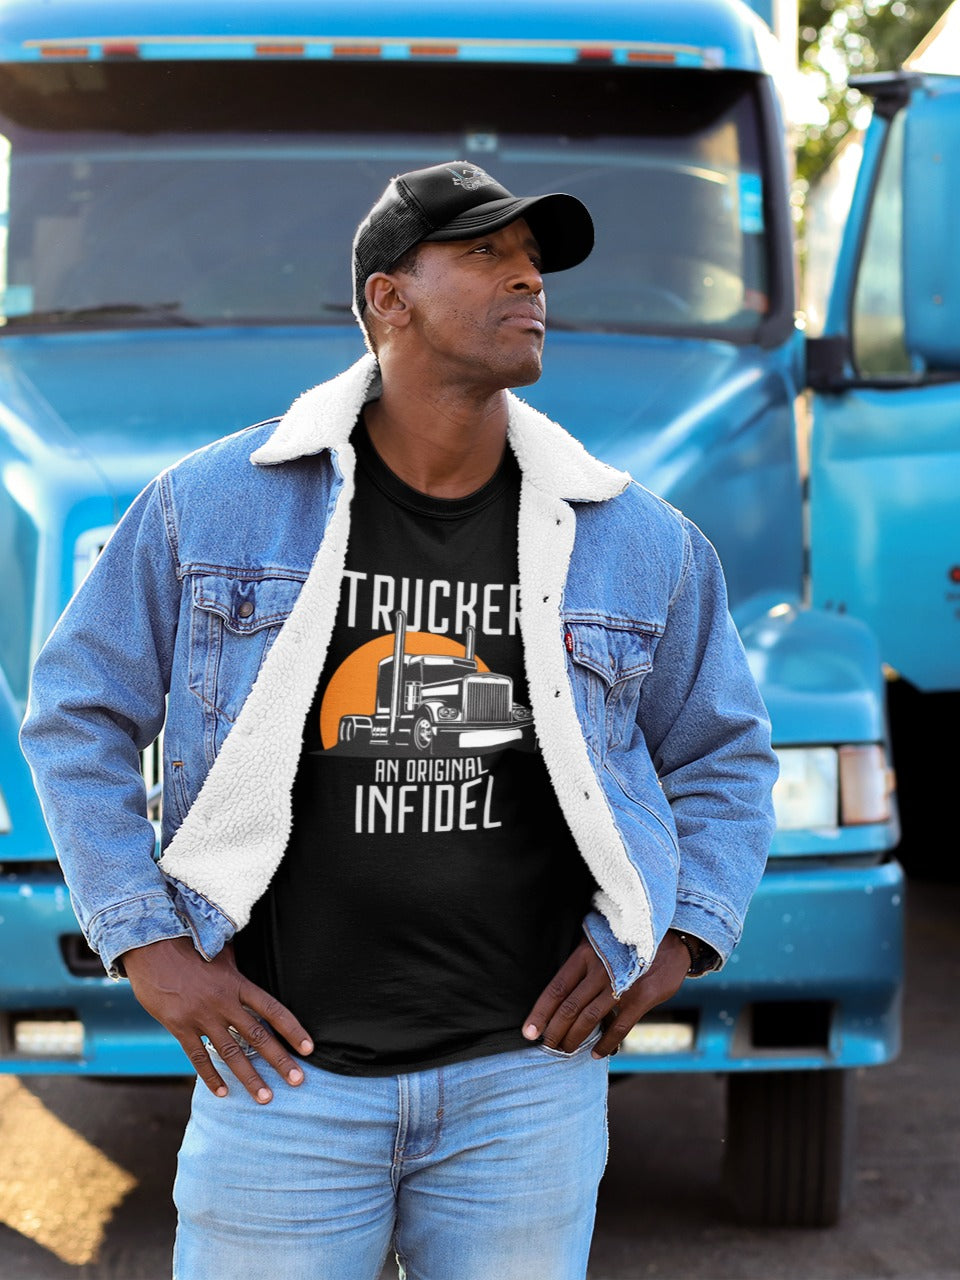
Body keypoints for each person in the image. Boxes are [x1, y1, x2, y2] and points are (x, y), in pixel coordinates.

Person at [21, 161, 777, 1280]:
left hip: (523, 1090)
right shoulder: (215, 501)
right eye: (485, 255)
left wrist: (679, 936)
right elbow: (75, 712)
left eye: (534, 263)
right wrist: (149, 943)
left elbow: (725, 754)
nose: (529, 281)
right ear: (389, 298)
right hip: (283, 1081)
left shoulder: (637, 537)